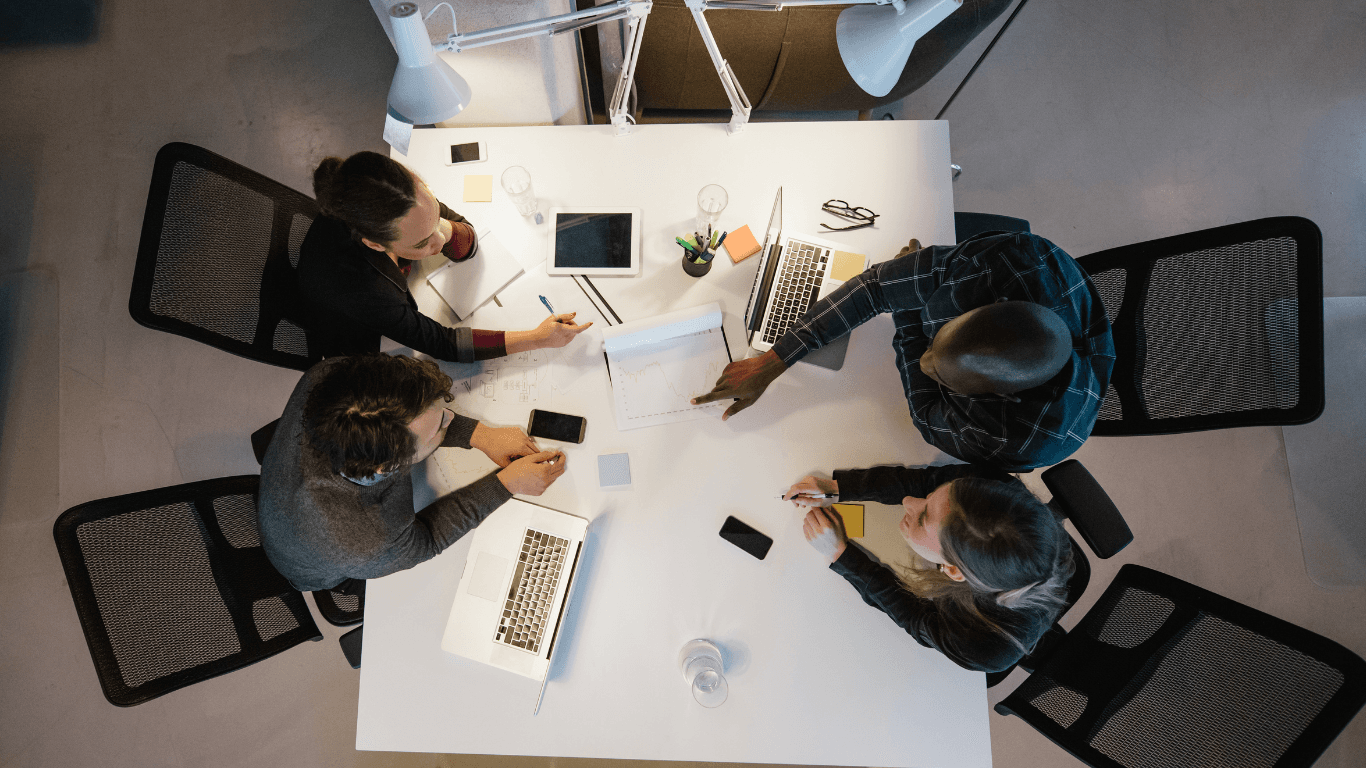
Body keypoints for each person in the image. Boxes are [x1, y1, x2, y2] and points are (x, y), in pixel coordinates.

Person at [693, 232, 1115, 471]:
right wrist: (772, 361)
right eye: (943, 336)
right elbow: (876, 288)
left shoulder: (1014, 438)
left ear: (991, 397)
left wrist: (909, 315)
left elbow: (925, 415)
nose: (926, 364)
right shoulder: (1008, 261)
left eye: (941, 373)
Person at [258, 353, 567, 592]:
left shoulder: (330, 377)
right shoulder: (364, 541)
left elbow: (417, 419)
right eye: (440, 427)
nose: (451, 419)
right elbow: (425, 541)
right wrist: (506, 484)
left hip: (289, 492)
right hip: (318, 566)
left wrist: (480, 435)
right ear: (387, 466)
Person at [298, 151, 591, 362]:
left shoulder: (397, 198)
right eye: (423, 242)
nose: (440, 242)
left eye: (436, 217)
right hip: (362, 343)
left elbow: (468, 244)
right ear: (376, 245)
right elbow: (443, 344)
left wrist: (438, 226)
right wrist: (537, 338)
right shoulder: (360, 289)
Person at [784, 463, 1074, 673]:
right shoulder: (996, 490)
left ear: (954, 571)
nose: (909, 502)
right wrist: (838, 488)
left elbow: (914, 617)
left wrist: (842, 554)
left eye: (922, 518)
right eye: (930, 500)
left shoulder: (985, 647)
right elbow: (926, 481)